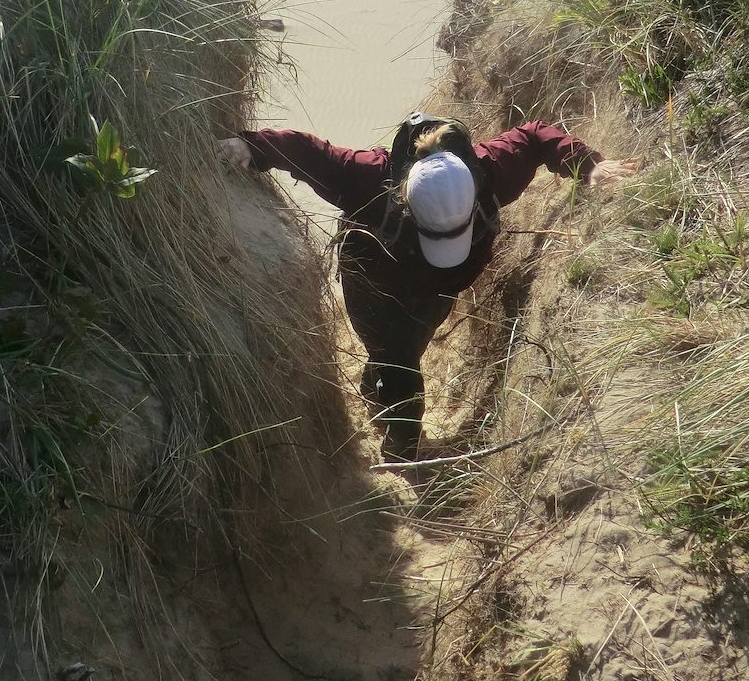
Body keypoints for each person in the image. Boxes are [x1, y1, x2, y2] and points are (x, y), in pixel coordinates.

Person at [220, 113, 637, 464]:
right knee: (392, 353)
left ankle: (385, 399)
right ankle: (400, 442)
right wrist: (253, 147)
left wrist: (588, 164)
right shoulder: (368, 177)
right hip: (371, 278)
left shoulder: (489, 171)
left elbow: (534, 137)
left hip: (439, 289)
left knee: (402, 351)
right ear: (403, 200)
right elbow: (310, 152)